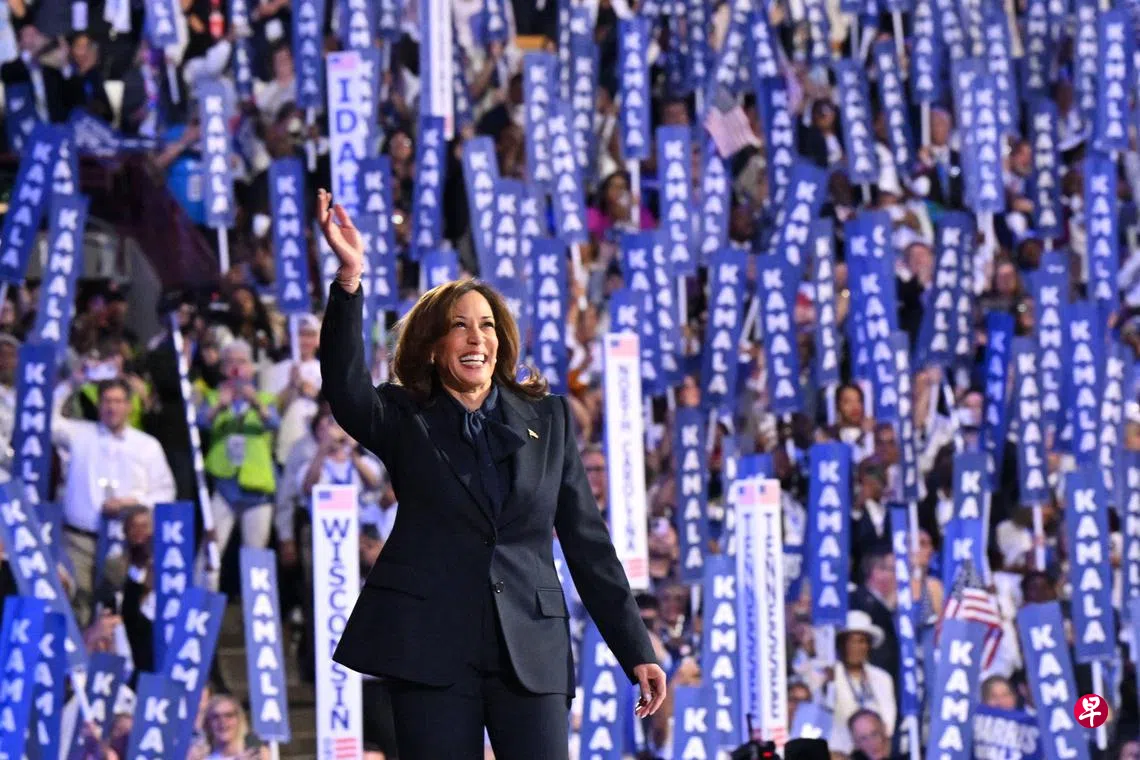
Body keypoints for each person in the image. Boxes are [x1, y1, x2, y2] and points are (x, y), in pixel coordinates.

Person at [315, 188, 667, 760]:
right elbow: (345, 388)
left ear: (500, 343)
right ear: (434, 347)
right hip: (430, 646)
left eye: (486, 325)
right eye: (459, 326)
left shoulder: (549, 420)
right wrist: (350, 279)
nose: (475, 337)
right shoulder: (405, 418)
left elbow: (587, 544)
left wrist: (636, 648)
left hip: (529, 646)